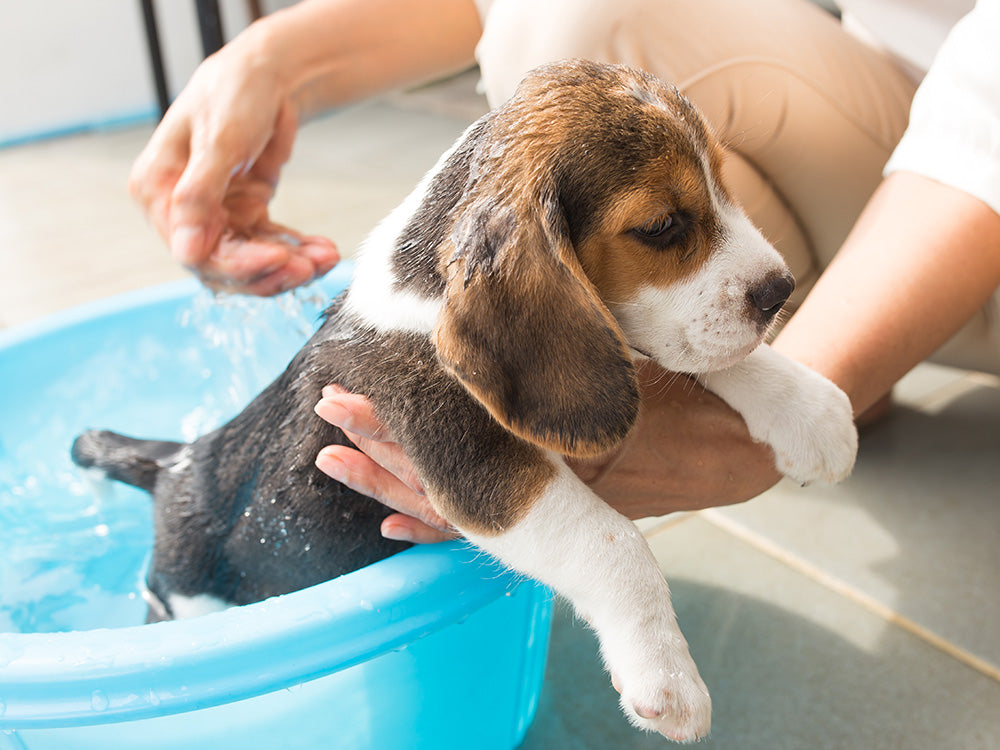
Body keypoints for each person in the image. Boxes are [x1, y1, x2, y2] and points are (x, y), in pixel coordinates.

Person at [129, 0, 1000, 543]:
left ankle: (844, 351)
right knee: (574, 17)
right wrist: (274, 62)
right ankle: (829, 333)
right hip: (898, 78)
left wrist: (813, 384)